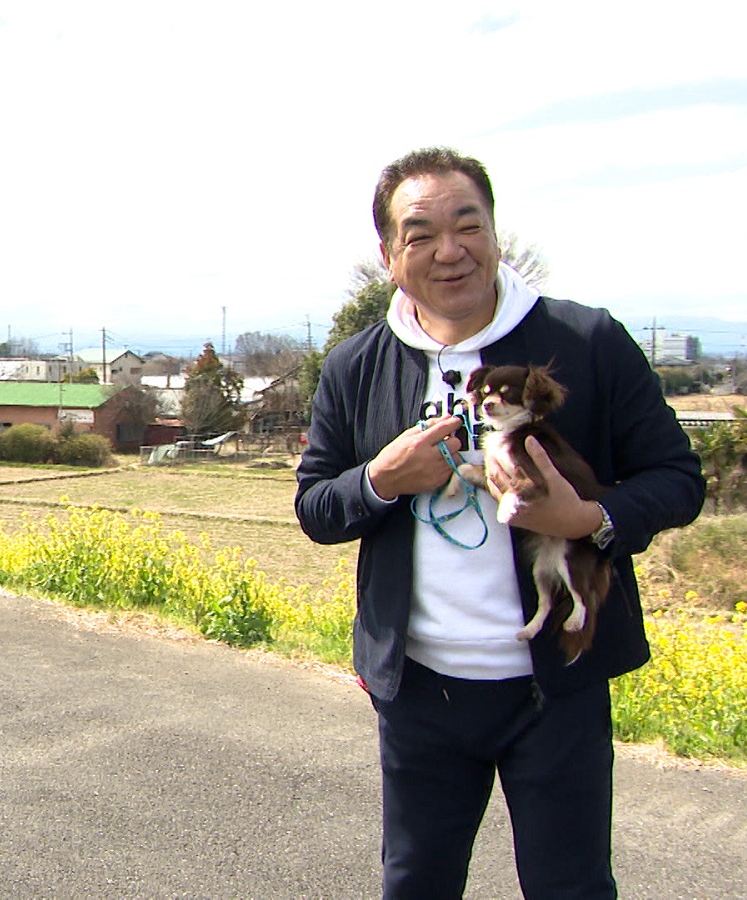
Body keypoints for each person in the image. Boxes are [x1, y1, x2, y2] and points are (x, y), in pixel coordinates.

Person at [295, 147, 704, 898]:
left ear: (494, 233)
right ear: (389, 256)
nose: (449, 250)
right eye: (419, 234)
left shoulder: (587, 341)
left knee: (571, 887)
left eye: (467, 224)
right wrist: (382, 480)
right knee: (415, 884)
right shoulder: (359, 364)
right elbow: (316, 507)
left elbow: (678, 479)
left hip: (557, 687)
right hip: (418, 689)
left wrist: (587, 516)